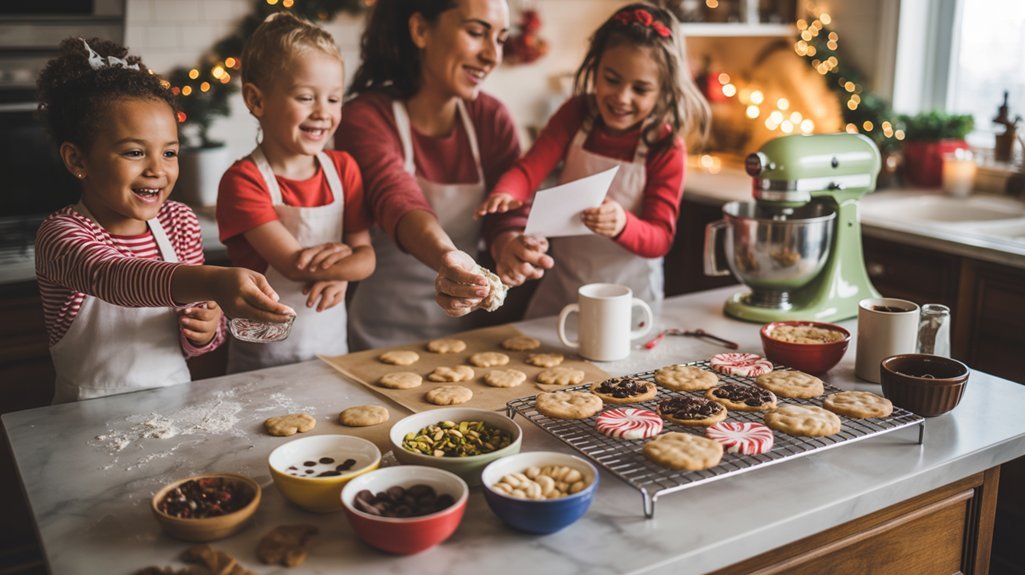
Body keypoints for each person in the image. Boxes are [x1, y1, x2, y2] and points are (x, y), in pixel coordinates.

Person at [34, 37, 293, 403]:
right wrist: (214, 282)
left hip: (173, 407)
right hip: (85, 419)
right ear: (78, 160)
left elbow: (204, 330)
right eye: (134, 152)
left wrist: (205, 330)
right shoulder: (61, 233)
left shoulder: (179, 222)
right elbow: (112, 277)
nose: (157, 169)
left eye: (169, 153)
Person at [338, 0, 551, 350]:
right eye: (476, 32)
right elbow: (398, 199)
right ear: (421, 30)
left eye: (500, 39)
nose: (492, 56)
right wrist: (446, 257)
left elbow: (508, 210)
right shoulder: (365, 118)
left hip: (466, 338)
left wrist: (510, 245)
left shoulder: (491, 118)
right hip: (377, 336)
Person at [477, 3, 710, 319]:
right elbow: (530, 168)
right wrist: (507, 191)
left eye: (640, 89)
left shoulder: (665, 147)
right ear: (595, 67)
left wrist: (623, 224)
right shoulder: (576, 114)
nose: (622, 97)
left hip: (629, 300)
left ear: (663, 90)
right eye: (612, 79)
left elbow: (660, 239)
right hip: (562, 287)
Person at [217, 13, 375, 372]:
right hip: (262, 360)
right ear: (256, 100)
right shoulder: (243, 181)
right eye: (305, 97)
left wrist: (344, 270)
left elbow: (368, 257)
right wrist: (347, 264)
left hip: (332, 351)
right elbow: (295, 265)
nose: (323, 112)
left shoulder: (344, 168)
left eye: (334, 99)